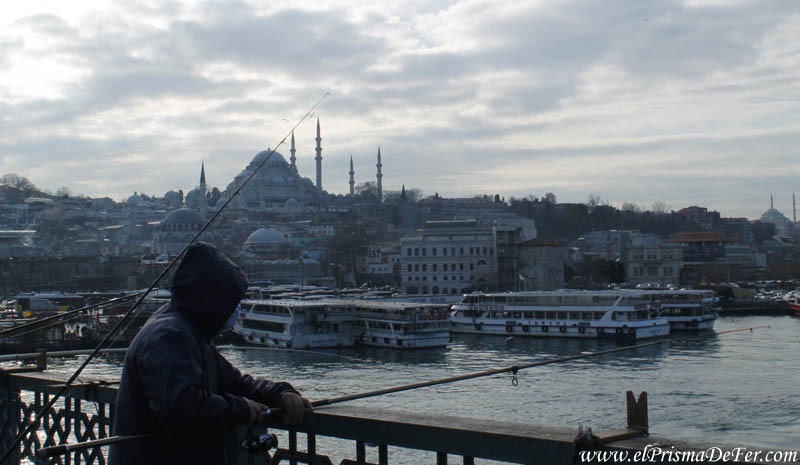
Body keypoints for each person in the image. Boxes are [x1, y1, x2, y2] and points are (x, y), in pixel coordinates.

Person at [109, 242, 312, 465]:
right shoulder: (170, 335)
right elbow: (180, 407)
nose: (234, 310)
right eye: (231, 302)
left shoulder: (189, 330)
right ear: (213, 299)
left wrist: (279, 393)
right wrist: (238, 409)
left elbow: (235, 382)